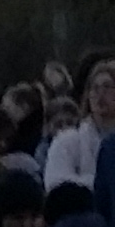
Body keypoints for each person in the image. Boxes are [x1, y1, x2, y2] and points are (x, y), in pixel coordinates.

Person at [44, 56, 115, 200]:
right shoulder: (67, 141)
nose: (100, 94)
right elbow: (57, 184)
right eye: (94, 88)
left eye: (107, 87)